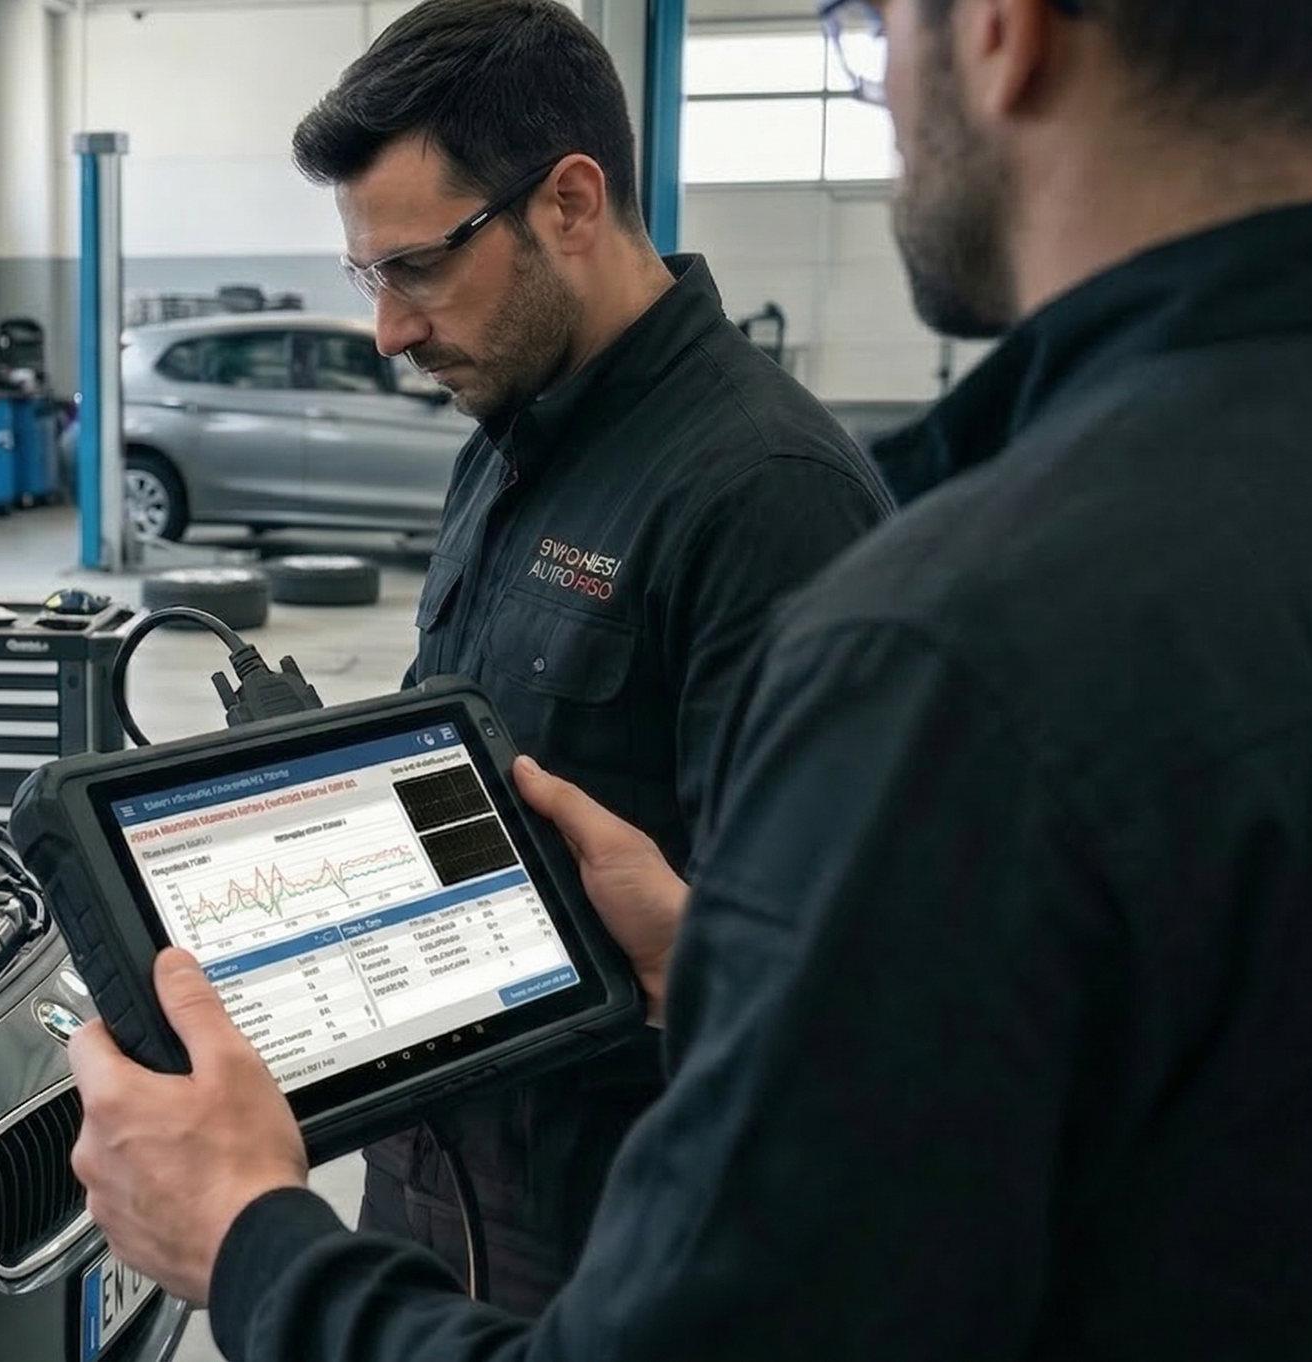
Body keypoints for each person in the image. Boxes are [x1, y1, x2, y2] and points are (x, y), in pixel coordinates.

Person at [69, 0, 1312, 1355]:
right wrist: (721, 958)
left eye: (871, 28)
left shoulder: (952, 643)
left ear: (1002, 29)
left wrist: (247, 1237)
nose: (880, 91)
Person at [281, 0, 893, 1315]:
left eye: (416, 268)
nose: (390, 332)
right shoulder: (511, 440)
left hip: (609, 1215)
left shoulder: (766, 493)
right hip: (432, 1146)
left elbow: (840, 980)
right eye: (368, 279)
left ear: (569, 202)